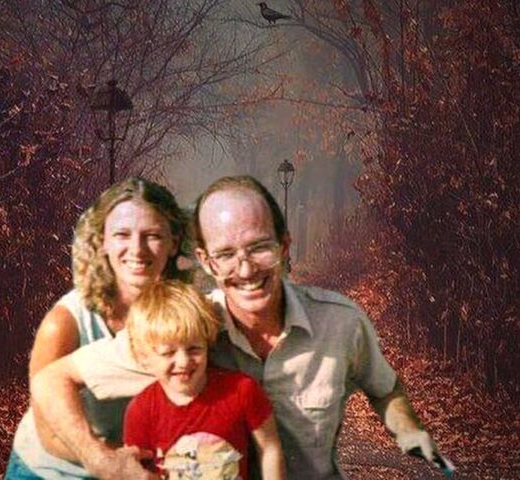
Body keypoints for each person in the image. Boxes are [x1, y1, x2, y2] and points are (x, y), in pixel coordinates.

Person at [31, 175, 443, 480]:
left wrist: (409, 431)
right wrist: (100, 460)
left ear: (284, 245)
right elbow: (51, 380)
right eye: (226, 254)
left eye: (259, 248)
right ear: (206, 262)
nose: (245, 270)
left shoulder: (342, 323)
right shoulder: (188, 332)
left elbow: (385, 389)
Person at [4, 177, 189, 480]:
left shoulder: (183, 314)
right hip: (51, 471)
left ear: (174, 242)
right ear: (103, 241)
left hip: (133, 466)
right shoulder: (64, 323)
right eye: (122, 235)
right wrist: (113, 461)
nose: (137, 249)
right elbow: (49, 433)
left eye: (153, 235)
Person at [123, 280, 285, 480]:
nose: (183, 362)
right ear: (142, 357)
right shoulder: (141, 411)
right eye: (168, 353)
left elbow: (269, 449)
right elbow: (135, 471)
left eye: (194, 349)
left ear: (208, 343)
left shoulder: (241, 390)